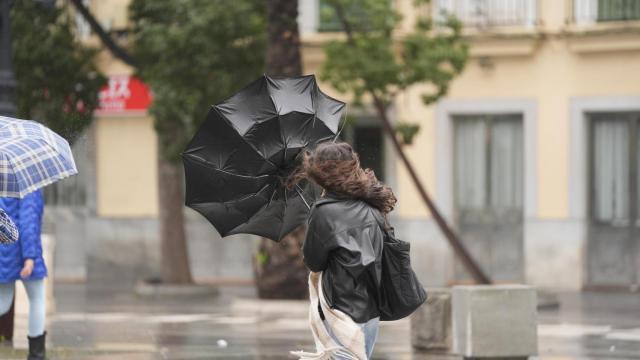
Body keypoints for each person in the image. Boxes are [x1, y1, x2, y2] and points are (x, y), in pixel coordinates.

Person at [289, 142, 396, 360]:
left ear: (320, 174)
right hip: (371, 310)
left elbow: (314, 263)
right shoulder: (371, 205)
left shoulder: (323, 212)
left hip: (341, 311)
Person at [0, 190, 47, 360]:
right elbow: (28, 222)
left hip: (4, 252)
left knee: (3, 302)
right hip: (23, 252)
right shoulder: (28, 186)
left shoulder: (4, 179)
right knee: (37, 299)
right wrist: (30, 257)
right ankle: (36, 354)